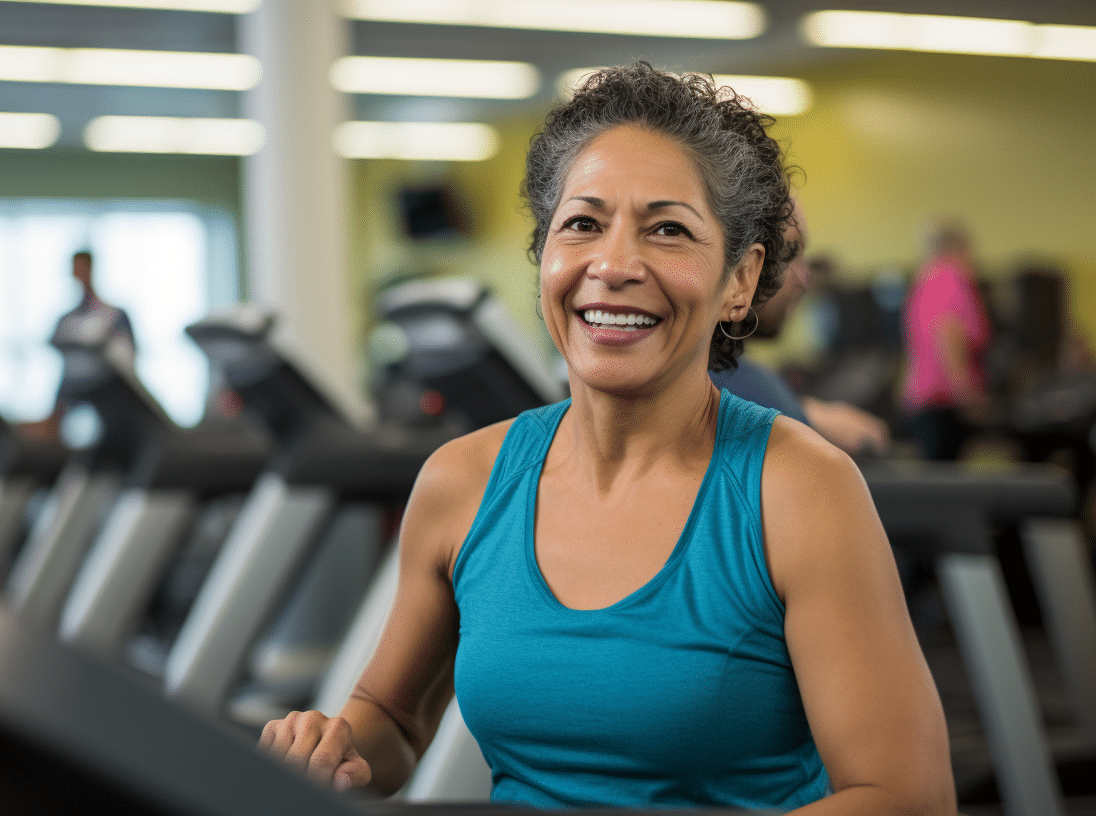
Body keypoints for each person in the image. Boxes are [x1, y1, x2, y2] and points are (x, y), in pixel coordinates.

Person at [258, 63, 954, 813]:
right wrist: (334, 749)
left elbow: (905, 798)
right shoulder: (461, 482)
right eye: (583, 224)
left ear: (740, 281)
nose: (614, 265)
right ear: (546, 255)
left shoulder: (800, 490)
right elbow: (391, 719)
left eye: (668, 230)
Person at [712, 202, 891, 455]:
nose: (805, 278)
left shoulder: (746, 387)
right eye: (789, 253)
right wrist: (796, 417)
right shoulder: (737, 389)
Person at [21, 250, 137, 441]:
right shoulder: (66, 320)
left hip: (105, 392)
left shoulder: (113, 316)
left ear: (90, 269)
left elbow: (128, 357)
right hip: (72, 391)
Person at [900, 220, 991, 461]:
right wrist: (968, 393)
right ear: (959, 248)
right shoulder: (948, 277)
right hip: (941, 402)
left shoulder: (926, 279)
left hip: (926, 400)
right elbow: (948, 334)